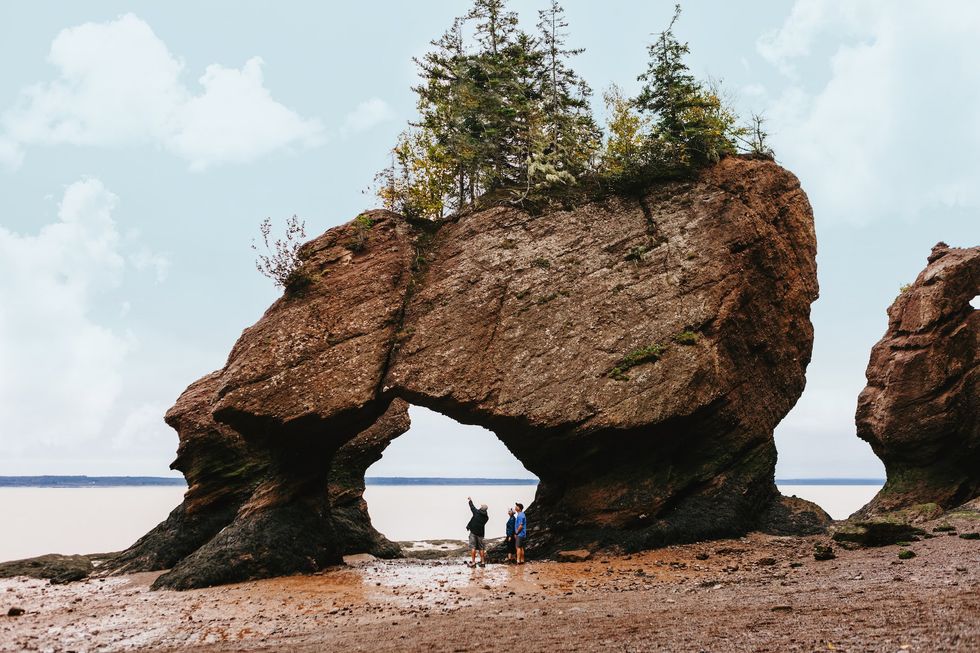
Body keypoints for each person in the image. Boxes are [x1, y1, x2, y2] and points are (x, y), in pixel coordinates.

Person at [466, 496, 489, 568]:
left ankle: (473, 563)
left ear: (481, 508)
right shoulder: (486, 517)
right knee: (481, 548)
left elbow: (472, 507)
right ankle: (482, 562)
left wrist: (470, 500)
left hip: (473, 533)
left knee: (473, 547)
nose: (480, 506)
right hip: (481, 534)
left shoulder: (476, 512)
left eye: (481, 506)